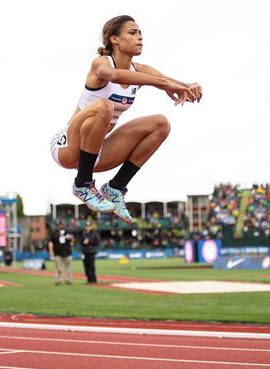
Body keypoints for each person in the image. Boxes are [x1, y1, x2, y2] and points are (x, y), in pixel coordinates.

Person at [50, 15, 202, 225]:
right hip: (68, 146)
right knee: (105, 106)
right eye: (133, 32)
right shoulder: (101, 64)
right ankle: (82, 183)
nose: (140, 37)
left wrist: (187, 86)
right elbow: (114, 76)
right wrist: (164, 83)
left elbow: (172, 83)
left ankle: (115, 187)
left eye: (140, 33)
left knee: (160, 124)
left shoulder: (139, 70)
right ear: (115, 40)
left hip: (96, 152)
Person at [48, 220, 74, 285]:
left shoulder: (68, 232)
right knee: (58, 267)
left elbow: (73, 241)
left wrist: (71, 238)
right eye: (60, 224)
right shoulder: (54, 233)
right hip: (57, 252)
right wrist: (51, 251)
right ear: (58, 225)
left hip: (67, 252)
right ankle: (58, 280)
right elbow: (51, 242)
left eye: (63, 224)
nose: (62, 226)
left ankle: (68, 280)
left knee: (68, 267)